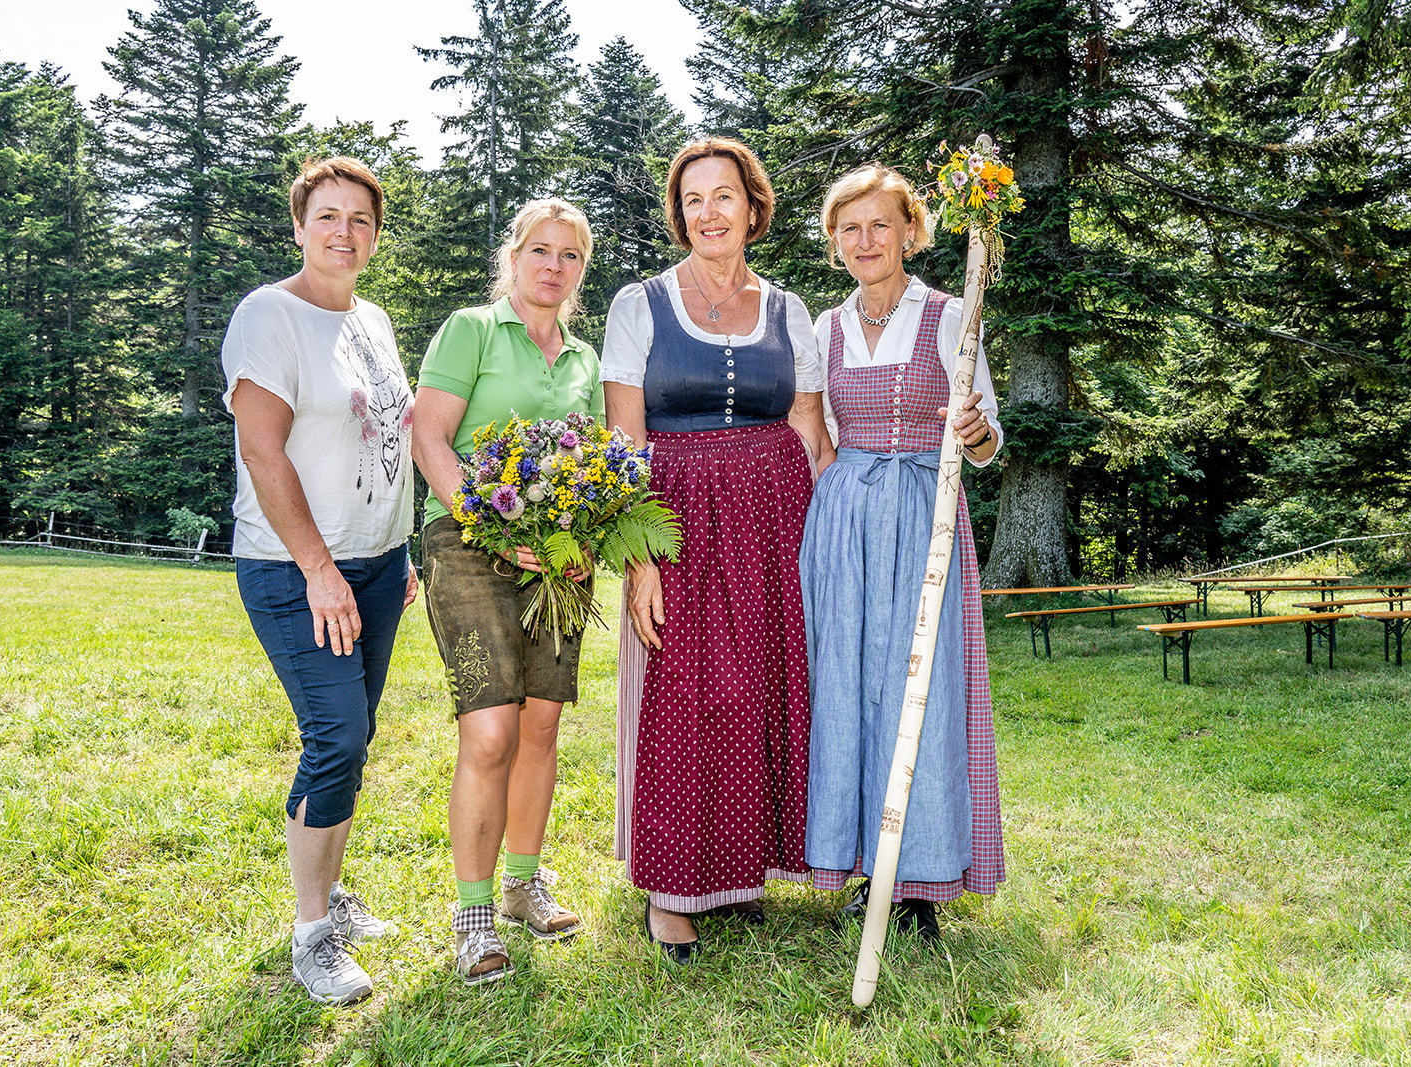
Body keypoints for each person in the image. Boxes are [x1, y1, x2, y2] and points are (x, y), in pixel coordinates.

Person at [603, 138, 836, 963]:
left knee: (766, 689)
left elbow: (809, 428)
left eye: (724, 196)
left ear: (752, 207)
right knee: (688, 693)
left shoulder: (789, 309)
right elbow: (623, 440)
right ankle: (673, 893)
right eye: (694, 198)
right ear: (680, 214)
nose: (709, 211)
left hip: (777, 514)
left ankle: (741, 873)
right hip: (679, 518)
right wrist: (638, 558)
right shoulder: (640, 305)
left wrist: (827, 542)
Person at [222, 157, 418, 1005]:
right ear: (300, 226)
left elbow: (390, 437)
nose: (344, 232)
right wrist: (319, 570)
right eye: (328, 216)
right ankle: (312, 933)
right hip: (297, 569)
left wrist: (397, 550)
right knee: (334, 735)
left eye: (361, 220)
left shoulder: (372, 318)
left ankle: (331, 891)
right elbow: (262, 450)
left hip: (379, 566)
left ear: (375, 235)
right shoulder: (269, 315)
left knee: (357, 734)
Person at [800, 163, 1006, 941]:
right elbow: (817, 438)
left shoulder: (954, 317)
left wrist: (977, 432)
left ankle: (919, 877)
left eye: (880, 224)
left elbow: (989, 446)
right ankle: (859, 862)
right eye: (849, 228)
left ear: (911, 232)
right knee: (847, 684)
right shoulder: (823, 328)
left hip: (925, 515)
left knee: (925, 687)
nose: (865, 240)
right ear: (834, 243)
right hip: (845, 525)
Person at [410, 198, 602, 985]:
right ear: (513, 256)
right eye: (540, 251)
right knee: (490, 730)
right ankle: (474, 913)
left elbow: (592, 464)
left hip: (554, 558)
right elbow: (428, 437)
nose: (553, 266)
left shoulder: (585, 359)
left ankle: (524, 884)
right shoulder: (472, 331)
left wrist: (582, 539)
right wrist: (488, 524)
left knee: (543, 724)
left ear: (581, 272)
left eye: (570, 256)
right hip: (466, 543)